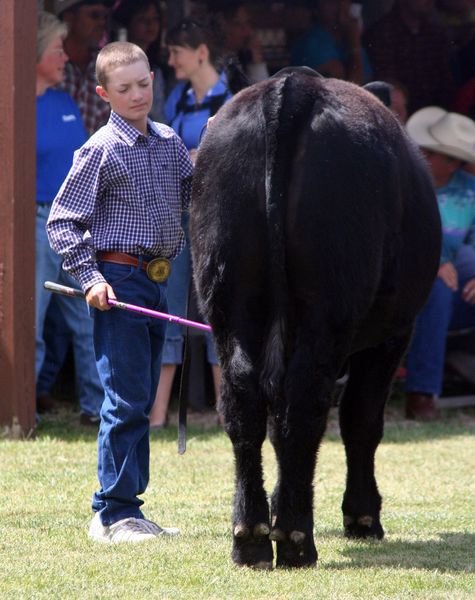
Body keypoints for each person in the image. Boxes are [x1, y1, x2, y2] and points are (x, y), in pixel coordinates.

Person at [47, 41, 192, 542]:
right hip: (120, 282)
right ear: (104, 93)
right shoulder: (98, 150)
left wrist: (216, 151)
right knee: (125, 400)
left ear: (155, 79)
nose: (137, 95)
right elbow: (63, 222)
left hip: (158, 281)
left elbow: (197, 195)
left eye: (144, 84)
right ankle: (111, 515)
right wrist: (91, 279)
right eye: (124, 88)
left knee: (143, 397)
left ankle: (132, 509)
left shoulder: (170, 141)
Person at [148, 18, 232, 429]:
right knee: (170, 306)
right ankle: (158, 414)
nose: (170, 60)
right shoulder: (178, 96)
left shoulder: (231, 100)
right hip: (178, 217)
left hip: (217, 218)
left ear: (200, 52)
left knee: (220, 307)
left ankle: (225, 409)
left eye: (175, 51)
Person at [35, 9, 104, 425]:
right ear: (35, 54)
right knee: (35, 318)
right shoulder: (14, 103)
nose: (64, 58)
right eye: (57, 50)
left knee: (88, 317)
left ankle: (97, 410)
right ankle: (23, 408)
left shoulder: (66, 101)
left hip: (74, 225)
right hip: (32, 220)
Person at [404, 106, 475, 419]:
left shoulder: (470, 191)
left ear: (453, 162)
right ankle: (421, 391)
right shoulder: (404, 185)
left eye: (431, 153)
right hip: (406, 284)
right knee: (438, 289)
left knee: (464, 266)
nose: (423, 156)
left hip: (459, 283)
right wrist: (430, 258)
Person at [363, 0, 455, 115]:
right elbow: (388, 89)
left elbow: (446, 84)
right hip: (401, 119)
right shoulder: (381, 33)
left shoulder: (436, 34)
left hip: (436, 117)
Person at [53, 0, 115, 135]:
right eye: (94, 15)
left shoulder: (107, 65)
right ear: (69, 18)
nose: (101, 23)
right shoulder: (49, 65)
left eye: (104, 17)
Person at [291, 0, 372, 85]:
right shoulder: (312, 43)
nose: (341, 7)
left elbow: (369, 81)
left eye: (345, 1)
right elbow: (346, 91)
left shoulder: (346, 39)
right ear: (316, 10)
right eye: (331, 2)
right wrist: (354, 46)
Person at [112, 0, 167, 123]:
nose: (150, 24)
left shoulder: (158, 70)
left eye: (155, 18)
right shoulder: (113, 66)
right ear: (128, 24)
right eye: (142, 19)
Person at [208, 1, 268, 84]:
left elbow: (263, 94)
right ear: (222, 26)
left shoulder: (241, 59)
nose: (248, 31)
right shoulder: (207, 66)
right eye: (238, 25)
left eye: (247, 23)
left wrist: (256, 60)